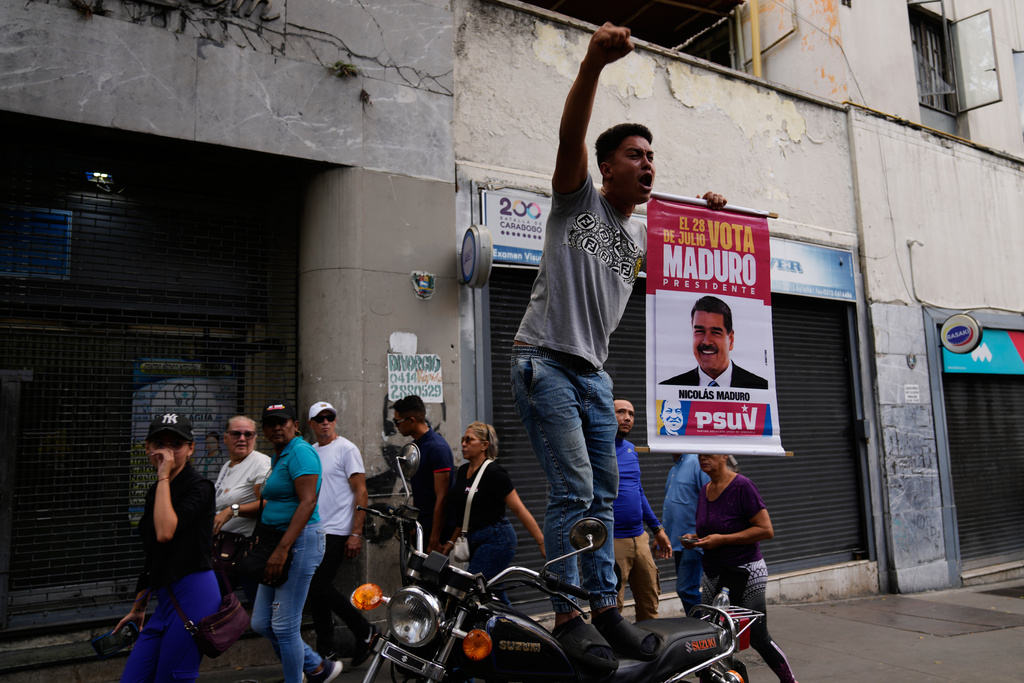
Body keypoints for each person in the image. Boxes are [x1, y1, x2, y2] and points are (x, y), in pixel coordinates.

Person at [509, 21, 726, 672]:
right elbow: (570, 134)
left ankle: (604, 608)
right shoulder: (577, 202)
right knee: (575, 488)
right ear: (606, 167)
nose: (648, 164)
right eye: (636, 154)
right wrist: (592, 66)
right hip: (545, 360)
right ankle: (570, 613)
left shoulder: (634, 244)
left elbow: (691, 265)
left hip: (595, 377)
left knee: (603, 493)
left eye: (652, 156)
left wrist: (712, 216)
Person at [115, 413, 219, 683]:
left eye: (176, 444)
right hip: (165, 599)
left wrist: (163, 476)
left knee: (173, 678)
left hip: (194, 595)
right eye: (159, 443)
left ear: (191, 449)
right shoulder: (155, 492)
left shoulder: (200, 487)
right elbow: (153, 555)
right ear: (147, 448)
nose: (166, 452)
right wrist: (139, 607)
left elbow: (165, 533)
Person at [683, 454, 798, 683]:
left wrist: (722, 539)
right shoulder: (705, 489)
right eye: (699, 454)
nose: (702, 458)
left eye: (709, 453)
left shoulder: (742, 486)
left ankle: (789, 681)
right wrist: (695, 538)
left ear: (725, 455)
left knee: (757, 636)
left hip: (746, 570)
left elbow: (766, 530)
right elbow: (713, 529)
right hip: (714, 572)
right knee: (711, 634)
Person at [250, 400, 341, 683]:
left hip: (298, 543)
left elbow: (307, 502)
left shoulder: (300, 452)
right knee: (261, 622)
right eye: (270, 423)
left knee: (284, 625)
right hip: (278, 541)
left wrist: (281, 551)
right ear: (264, 430)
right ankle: (316, 666)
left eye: (283, 422)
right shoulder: (280, 455)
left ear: (296, 425)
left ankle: (299, 677)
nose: (277, 427)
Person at [304, 401, 378, 667]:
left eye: (330, 417)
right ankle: (327, 650)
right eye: (320, 418)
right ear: (310, 424)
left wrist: (355, 532)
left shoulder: (347, 449)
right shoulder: (310, 452)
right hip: (314, 530)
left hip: (338, 530)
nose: (325, 422)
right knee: (315, 591)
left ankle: (365, 630)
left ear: (335, 421)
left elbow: (361, 491)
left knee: (318, 585)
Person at [443, 422, 545, 604]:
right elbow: (464, 512)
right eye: (463, 440)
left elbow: (519, 509)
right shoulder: (463, 471)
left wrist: (541, 541)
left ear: (484, 445)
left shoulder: (495, 473)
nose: (463, 444)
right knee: (493, 593)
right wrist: (451, 542)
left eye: (469, 439)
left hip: (497, 539)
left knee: (471, 586)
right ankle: (511, 628)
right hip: (474, 539)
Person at [611, 399, 672, 621]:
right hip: (612, 541)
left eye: (631, 414)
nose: (627, 418)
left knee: (650, 601)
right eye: (621, 412)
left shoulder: (631, 450)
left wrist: (658, 529)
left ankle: (650, 649)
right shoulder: (594, 449)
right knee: (611, 607)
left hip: (640, 538)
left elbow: (639, 492)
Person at [211, 415, 272, 604]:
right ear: (225, 437)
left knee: (261, 611)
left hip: (248, 552)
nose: (242, 438)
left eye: (248, 434)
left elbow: (267, 503)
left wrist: (232, 510)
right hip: (225, 551)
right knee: (215, 605)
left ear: (255, 437)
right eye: (236, 433)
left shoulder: (260, 463)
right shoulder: (227, 466)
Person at [659, 296, 768, 389]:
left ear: (731, 339)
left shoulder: (760, 387)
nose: (706, 341)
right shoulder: (670, 388)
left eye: (715, 332)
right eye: (699, 331)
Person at [391, 394, 455, 553]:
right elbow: (420, 490)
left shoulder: (437, 449)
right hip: (421, 525)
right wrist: (413, 523)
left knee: (434, 577)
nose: (396, 427)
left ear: (411, 420)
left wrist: (434, 538)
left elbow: (443, 497)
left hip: (435, 529)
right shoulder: (415, 447)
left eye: (397, 422)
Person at [662, 452, 709, 614]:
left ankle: (703, 627)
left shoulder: (696, 462)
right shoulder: (676, 467)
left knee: (687, 589)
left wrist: (700, 533)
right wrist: (662, 534)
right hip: (680, 542)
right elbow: (673, 505)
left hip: (694, 542)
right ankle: (702, 625)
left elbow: (710, 497)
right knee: (687, 589)